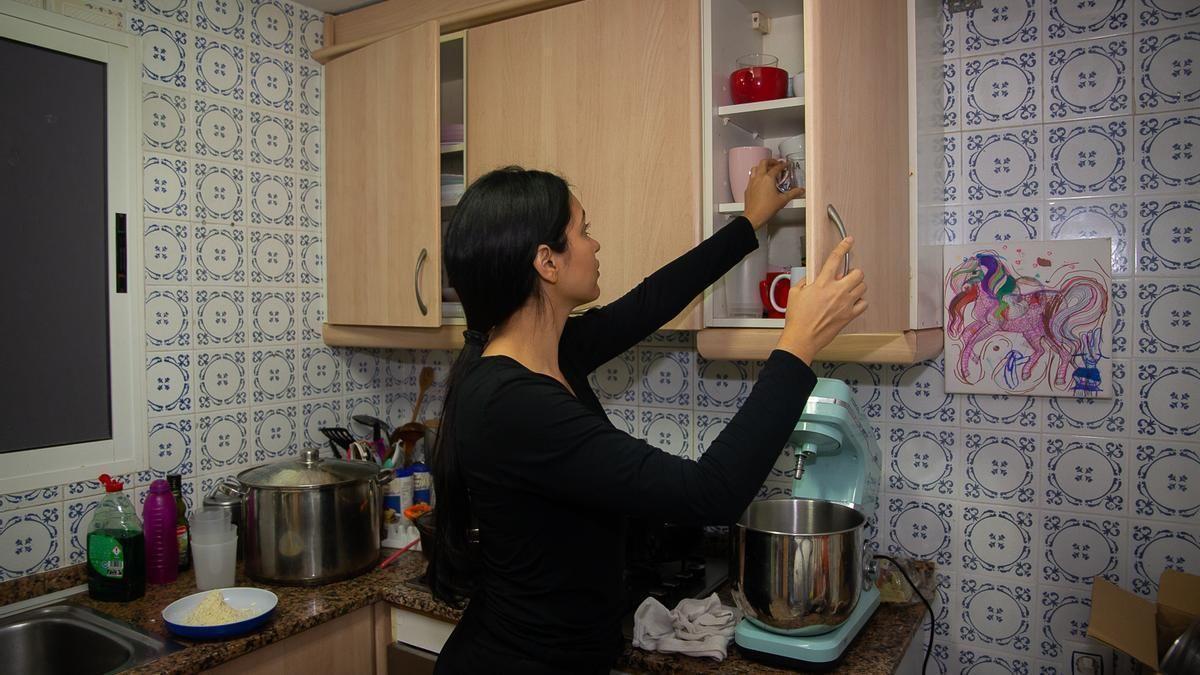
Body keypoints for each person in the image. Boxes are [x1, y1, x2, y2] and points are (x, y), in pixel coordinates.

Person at [430, 160, 867, 674]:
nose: (596, 245)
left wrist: (749, 223)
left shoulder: (545, 353)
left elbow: (650, 302)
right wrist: (798, 344)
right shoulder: (514, 403)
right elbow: (709, 491)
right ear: (547, 261)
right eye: (584, 231)